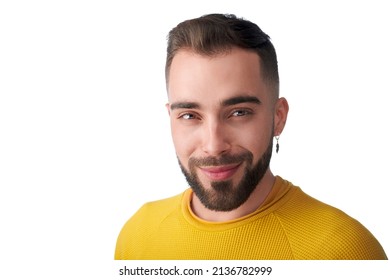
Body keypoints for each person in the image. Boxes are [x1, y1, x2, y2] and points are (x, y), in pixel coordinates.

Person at [115, 13, 387, 260]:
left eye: (239, 112)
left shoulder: (344, 251)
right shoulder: (138, 234)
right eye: (189, 115)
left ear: (278, 117)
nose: (214, 145)